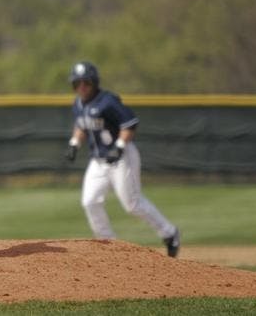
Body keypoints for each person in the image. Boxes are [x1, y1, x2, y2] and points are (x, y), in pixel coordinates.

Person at [64, 61, 180, 257]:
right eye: (77, 84)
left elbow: (129, 124)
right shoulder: (78, 104)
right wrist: (74, 143)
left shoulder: (108, 101)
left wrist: (119, 147)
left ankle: (170, 233)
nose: (82, 87)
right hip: (98, 160)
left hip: (121, 157)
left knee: (132, 204)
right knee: (90, 201)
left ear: (94, 82)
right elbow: (82, 125)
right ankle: (108, 243)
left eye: (86, 83)